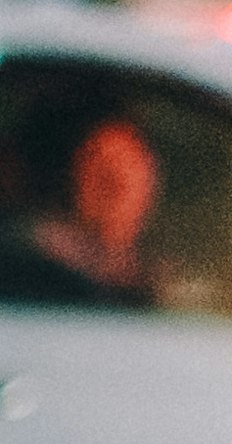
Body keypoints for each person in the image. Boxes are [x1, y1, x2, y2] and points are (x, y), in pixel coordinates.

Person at [0, 73, 168, 310]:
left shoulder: (152, 280)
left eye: (136, 173)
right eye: (107, 179)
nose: (126, 192)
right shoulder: (27, 263)